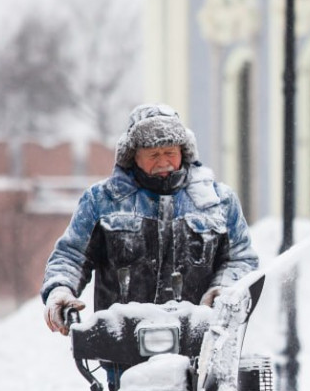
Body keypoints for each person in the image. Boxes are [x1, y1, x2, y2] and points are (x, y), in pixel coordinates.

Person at [40, 103, 259, 336]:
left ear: (184, 152)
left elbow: (240, 259)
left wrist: (222, 289)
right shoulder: (102, 200)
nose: (163, 162)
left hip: (198, 340)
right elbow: (71, 255)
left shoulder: (218, 201)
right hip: (121, 342)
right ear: (133, 156)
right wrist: (60, 289)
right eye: (153, 155)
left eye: (170, 153)